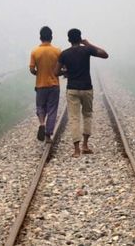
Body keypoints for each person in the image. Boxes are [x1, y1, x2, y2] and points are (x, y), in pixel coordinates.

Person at [54, 28, 108, 158]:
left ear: (69, 40)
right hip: (87, 88)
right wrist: (88, 44)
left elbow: (56, 72)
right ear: (80, 38)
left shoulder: (64, 54)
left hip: (72, 89)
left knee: (74, 118)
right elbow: (105, 54)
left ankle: (76, 150)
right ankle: (85, 145)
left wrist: (66, 72)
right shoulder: (86, 50)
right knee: (87, 115)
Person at [29, 26, 61, 143]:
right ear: (51, 37)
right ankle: (48, 135)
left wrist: (39, 73)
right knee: (52, 110)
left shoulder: (35, 52)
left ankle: (42, 123)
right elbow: (61, 68)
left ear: (40, 37)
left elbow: (32, 69)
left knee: (40, 107)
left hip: (40, 85)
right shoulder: (57, 51)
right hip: (54, 85)